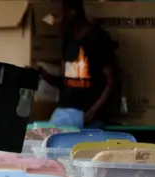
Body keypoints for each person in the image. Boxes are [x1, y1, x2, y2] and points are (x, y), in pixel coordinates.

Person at [39, 0, 116, 129]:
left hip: (89, 118)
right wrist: (42, 73)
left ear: (71, 13)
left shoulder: (98, 38)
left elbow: (111, 83)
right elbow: (66, 81)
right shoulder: (67, 41)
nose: (54, 22)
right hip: (65, 115)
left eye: (57, 17)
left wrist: (91, 113)